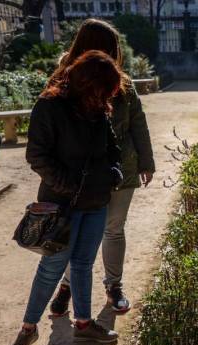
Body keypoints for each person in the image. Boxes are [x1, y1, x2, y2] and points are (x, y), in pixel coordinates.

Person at [7, 50, 126, 345]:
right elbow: (37, 156)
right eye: (105, 89)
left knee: (84, 265)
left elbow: (113, 148)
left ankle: (83, 323)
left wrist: (114, 173)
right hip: (62, 205)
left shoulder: (98, 108)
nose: (108, 96)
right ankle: (27, 329)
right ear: (88, 83)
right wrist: (71, 185)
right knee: (51, 269)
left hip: (96, 202)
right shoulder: (50, 106)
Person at [46, 19, 155, 317]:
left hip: (121, 171)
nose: (117, 54)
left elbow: (138, 124)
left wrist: (147, 162)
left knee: (113, 229)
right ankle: (67, 287)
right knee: (78, 233)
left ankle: (113, 286)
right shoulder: (64, 82)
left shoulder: (123, 83)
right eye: (113, 47)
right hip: (79, 176)